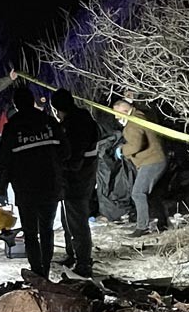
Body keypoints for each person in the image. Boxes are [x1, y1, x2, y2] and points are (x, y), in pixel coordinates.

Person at [0, 92, 66, 280]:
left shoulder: (12, 129)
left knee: (31, 233)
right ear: (33, 102)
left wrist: (2, 190)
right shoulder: (49, 123)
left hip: (25, 189)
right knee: (47, 229)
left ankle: (36, 271)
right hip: (50, 185)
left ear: (16, 106)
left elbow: (5, 163)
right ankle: (46, 268)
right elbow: (65, 151)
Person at [49, 91, 100, 275]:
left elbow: (74, 158)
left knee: (77, 220)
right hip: (80, 177)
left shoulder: (75, 124)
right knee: (68, 218)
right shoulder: (84, 119)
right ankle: (74, 254)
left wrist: (59, 165)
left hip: (77, 180)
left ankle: (83, 262)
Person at [114, 99, 172, 235]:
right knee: (152, 194)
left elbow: (136, 145)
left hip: (151, 161)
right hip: (156, 159)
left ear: (124, 111)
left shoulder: (133, 123)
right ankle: (162, 223)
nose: (116, 118)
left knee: (138, 193)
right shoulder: (139, 116)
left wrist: (122, 150)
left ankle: (142, 227)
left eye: (116, 114)